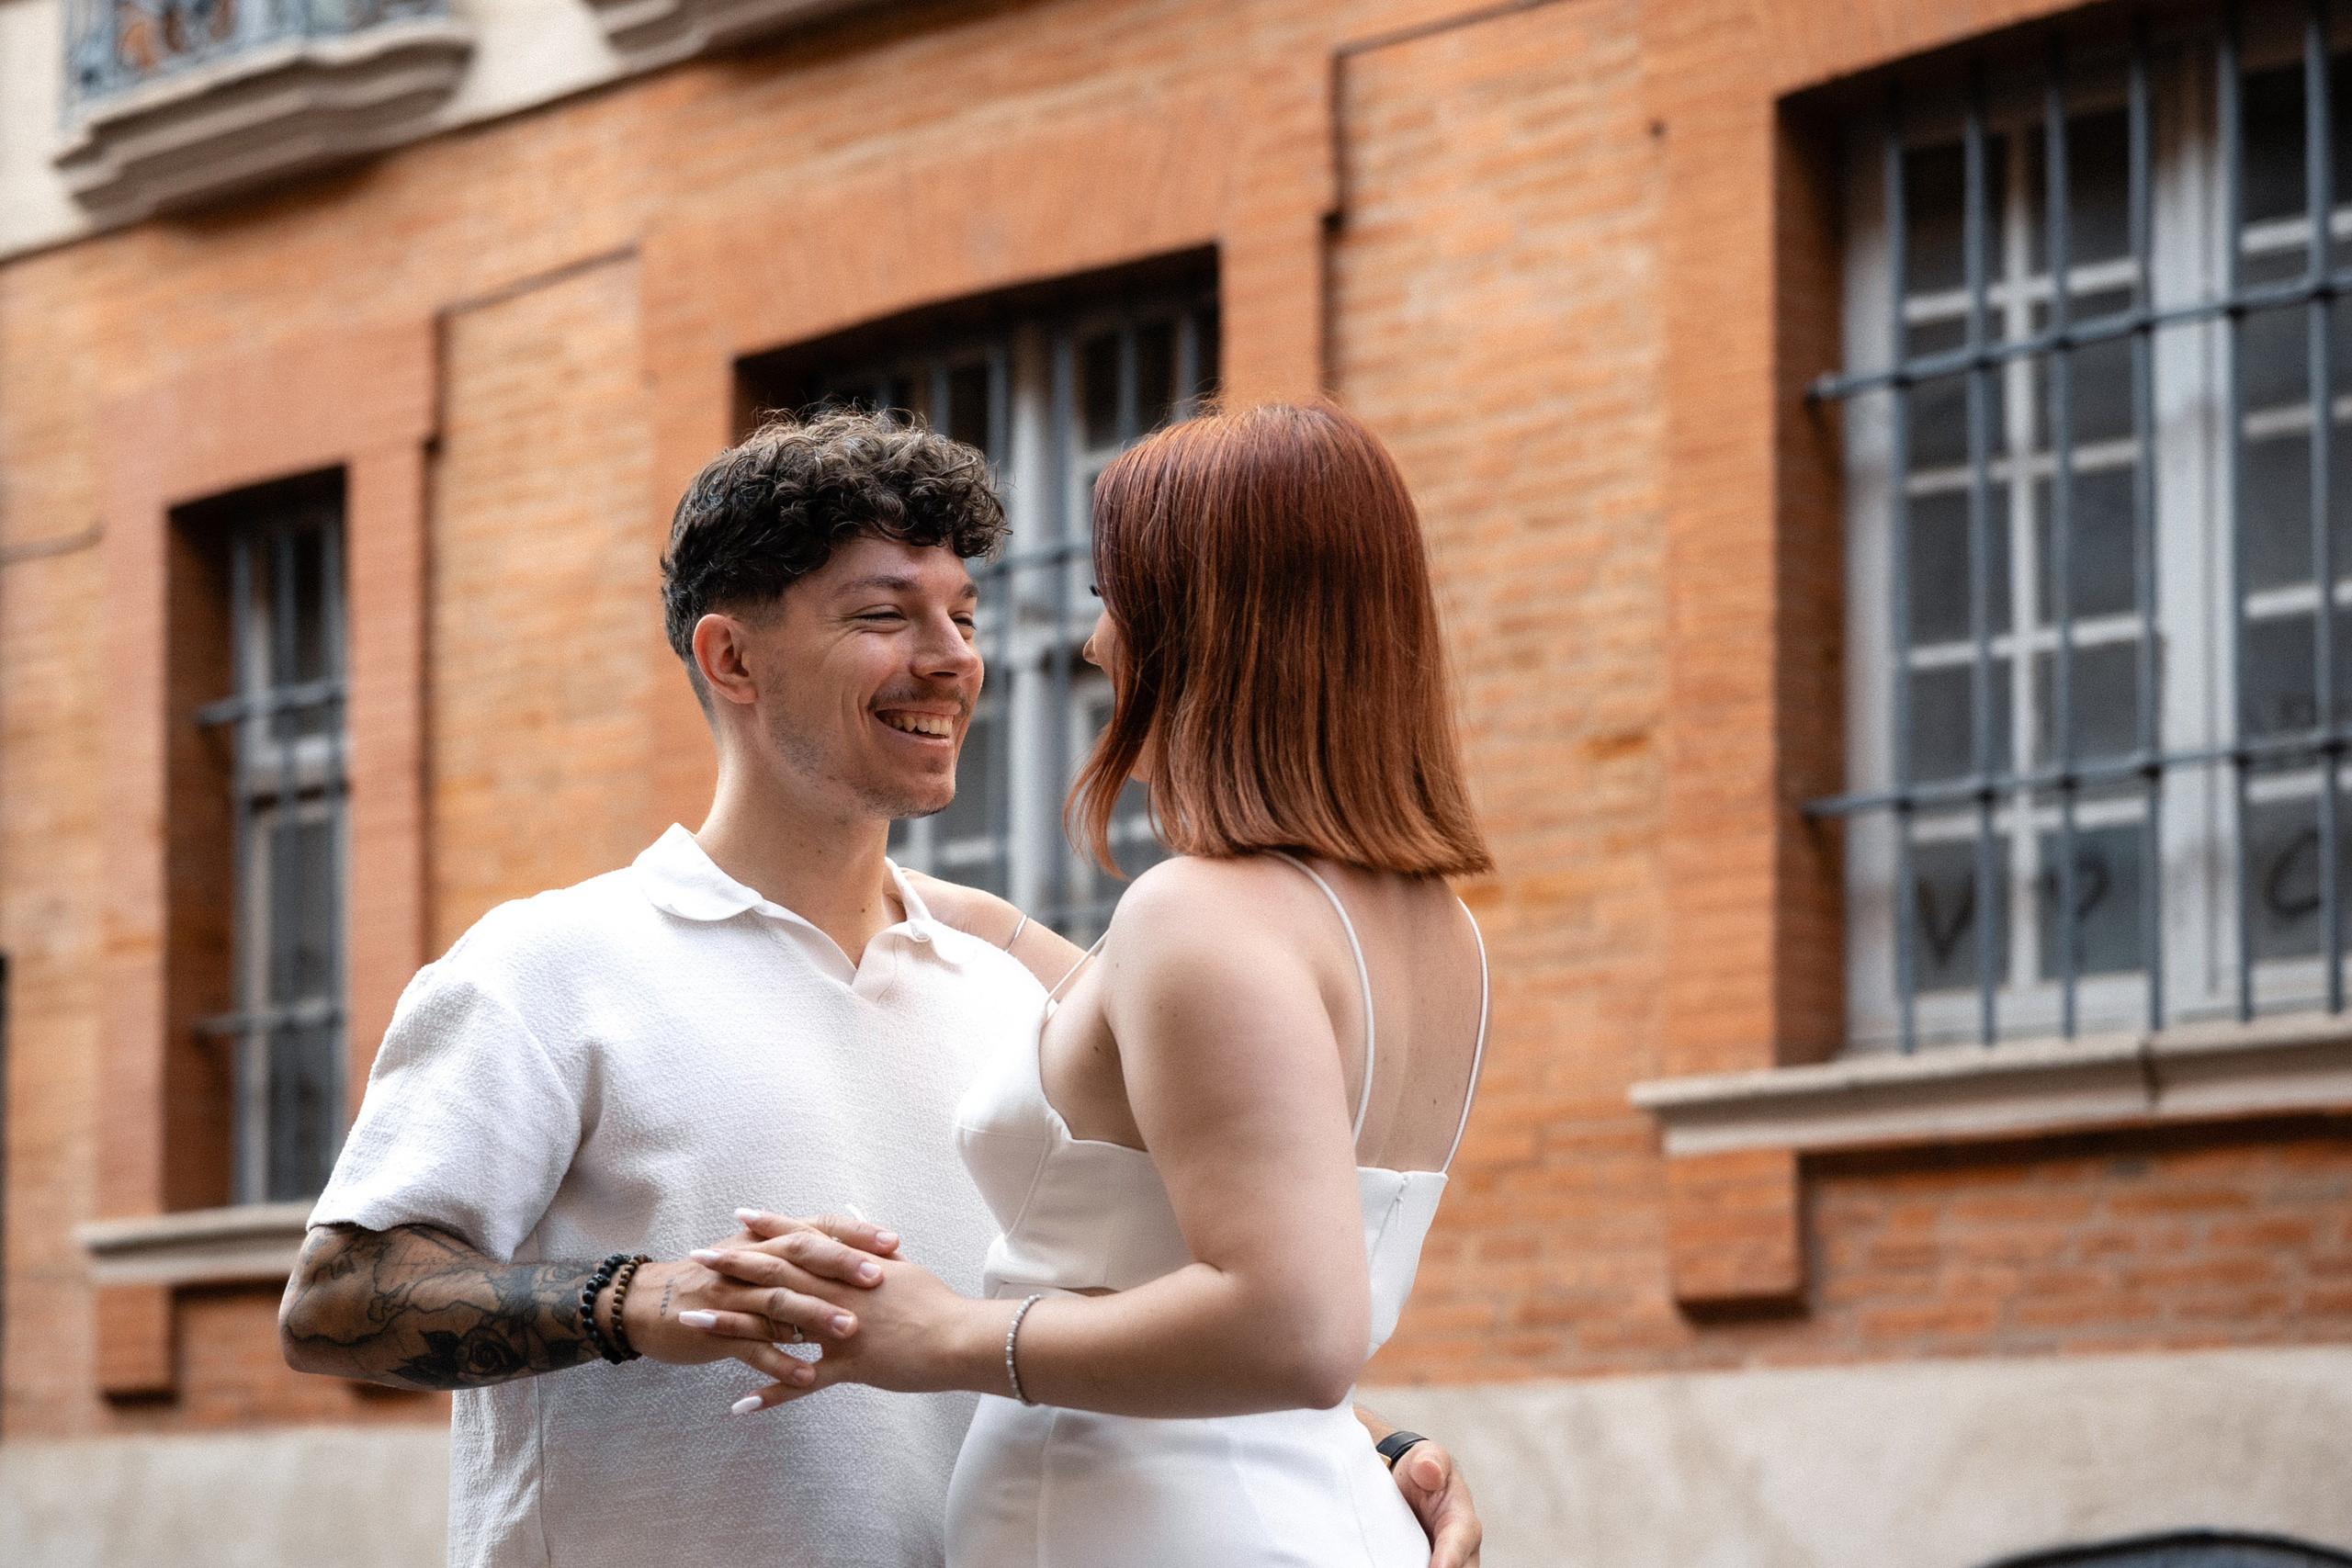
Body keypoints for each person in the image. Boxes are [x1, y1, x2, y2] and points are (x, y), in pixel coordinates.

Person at [277, 410, 1480, 1568]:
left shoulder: (1018, 1002)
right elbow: (335, 1300)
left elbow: (1181, 1294)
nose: (952, 658)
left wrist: (1366, 1445)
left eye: (964, 613)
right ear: (731, 657)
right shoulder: (547, 965)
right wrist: (643, 1298)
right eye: (885, 614)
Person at [681, 402, 1493, 1567]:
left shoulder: (1198, 914)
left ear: (1202, 623)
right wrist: (952, 910)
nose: (1097, 645)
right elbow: (1155, 1050)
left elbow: (1297, 1328)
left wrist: (945, 1335)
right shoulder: (1434, 931)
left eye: (1116, 600)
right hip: (1313, 1508)